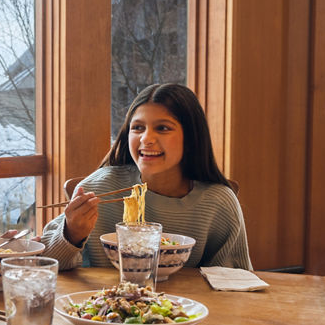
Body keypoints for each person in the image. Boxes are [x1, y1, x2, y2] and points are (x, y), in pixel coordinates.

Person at [41, 83, 252, 271]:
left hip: (190, 312)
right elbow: (45, 262)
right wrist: (72, 234)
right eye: (138, 128)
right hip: (107, 310)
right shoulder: (101, 186)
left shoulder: (217, 202)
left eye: (162, 128)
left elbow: (235, 280)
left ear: (190, 139)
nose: (146, 139)